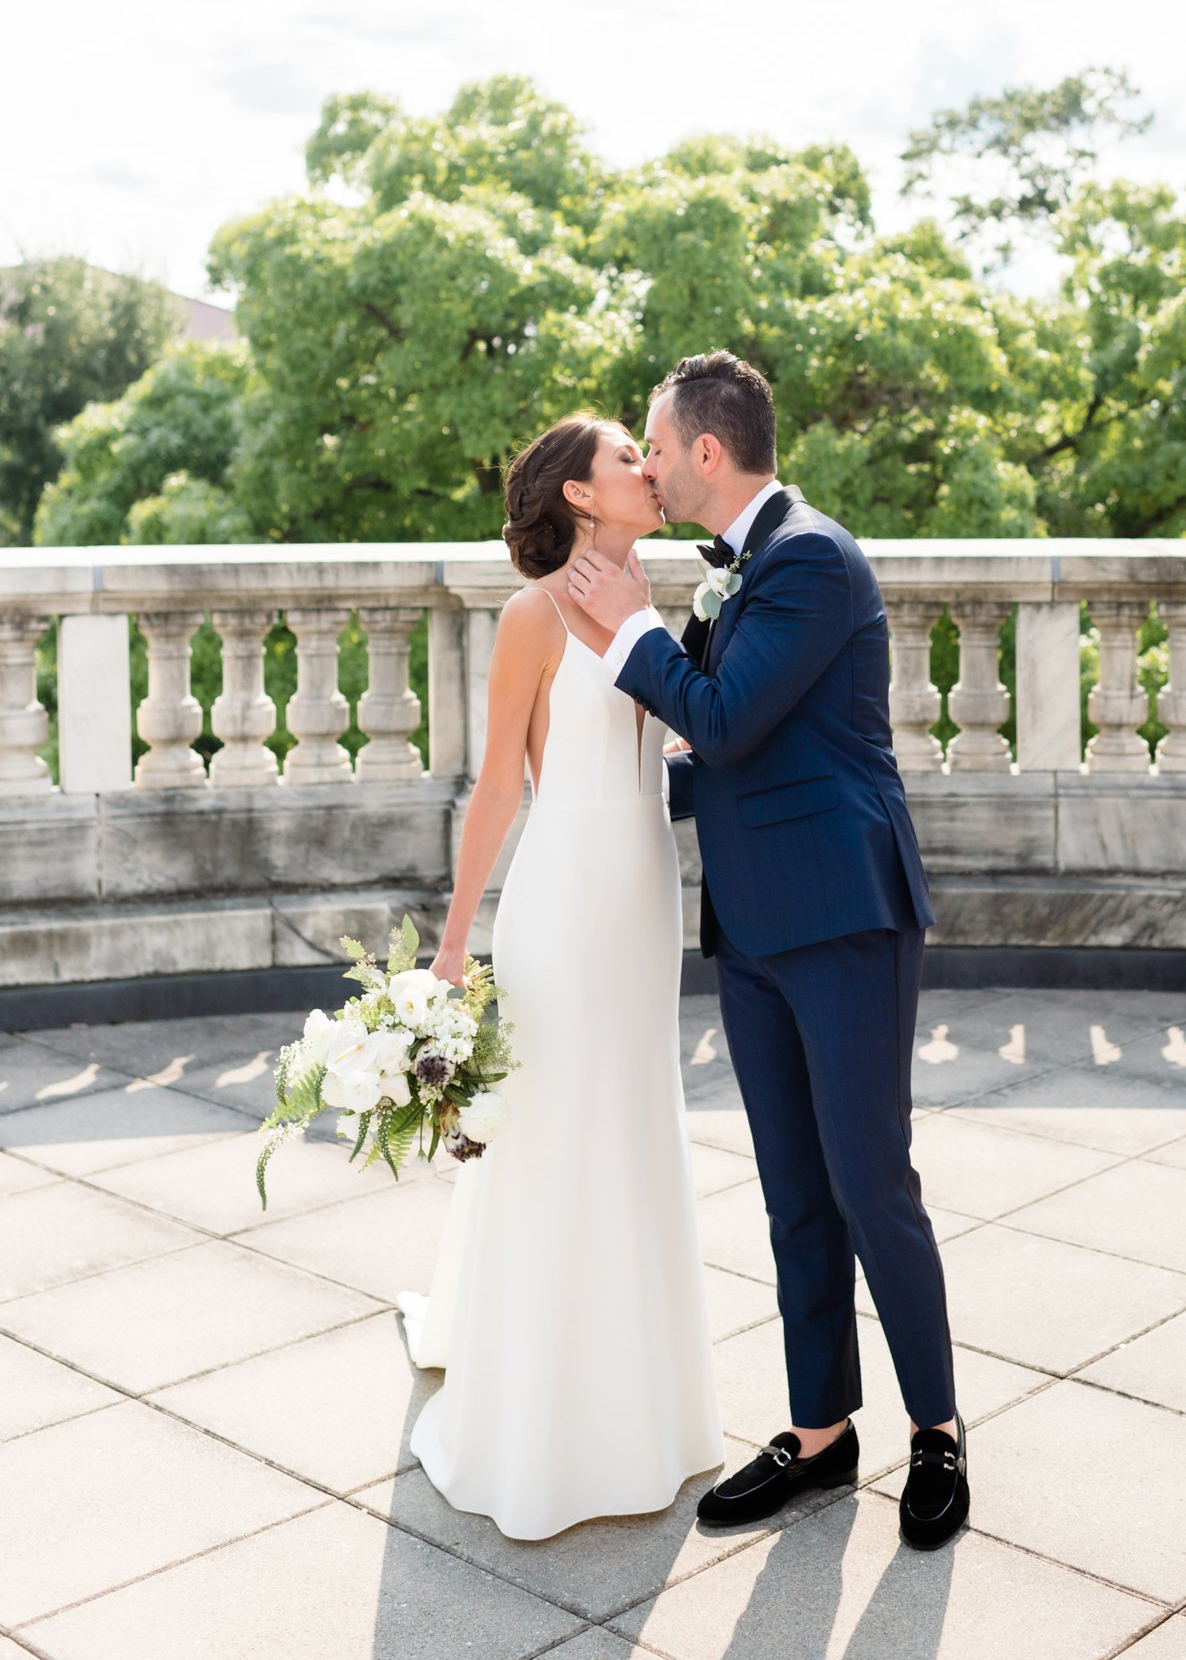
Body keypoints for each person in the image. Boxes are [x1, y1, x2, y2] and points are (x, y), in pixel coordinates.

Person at [567, 350, 968, 1551]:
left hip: (842, 914)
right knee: (795, 1192)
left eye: (652, 440)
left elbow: (728, 715)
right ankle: (818, 1430)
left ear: (705, 449)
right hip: (748, 926)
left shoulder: (809, 556)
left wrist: (631, 628)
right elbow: (731, 749)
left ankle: (938, 1431)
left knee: (869, 1184)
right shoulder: (740, 569)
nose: (641, 461)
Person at [398, 414, 723, 1541]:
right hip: (559, 897)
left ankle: (643, 1407)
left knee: (632, 1121)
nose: (650, 465)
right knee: (553, 1130)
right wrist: (453, 944)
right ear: (580, 495)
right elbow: (498, 788)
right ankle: (536, 1421)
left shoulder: (658, 589)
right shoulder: (533, 614)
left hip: (645, 893)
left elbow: (673, 735)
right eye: (628, 456)